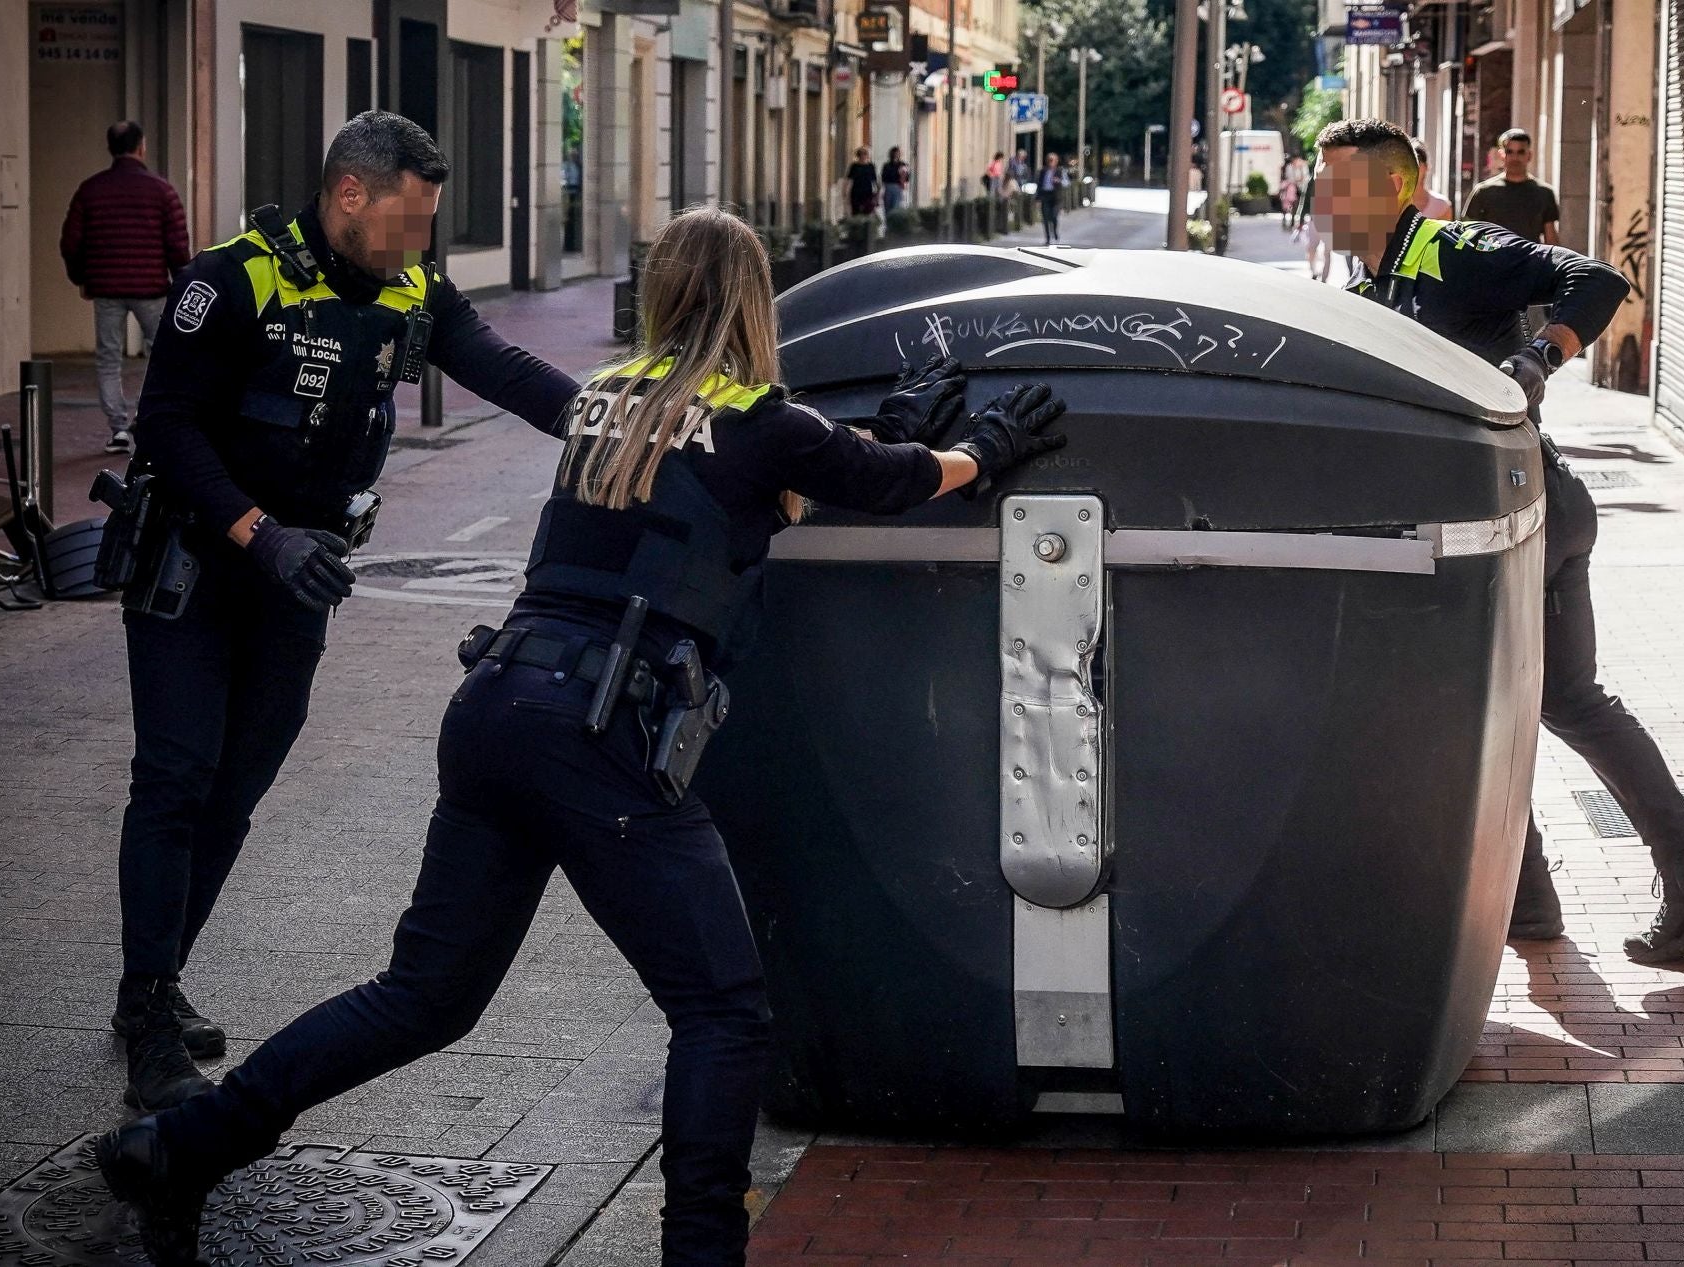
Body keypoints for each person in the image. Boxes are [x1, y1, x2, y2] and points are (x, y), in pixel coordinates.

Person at [91, 205, 1071, 1267]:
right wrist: (976, 447)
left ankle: (179, 1146)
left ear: (659, 297)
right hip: (601, 736)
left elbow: (723, 508)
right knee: (725, 1010)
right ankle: (702, 1250)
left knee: (420, 997)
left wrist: (885, 430)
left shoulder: (610, 404)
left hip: (498, 709)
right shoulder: (762, 421)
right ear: (751, 302)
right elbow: (895, 486)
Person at [108, 110, 582, 1114]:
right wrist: (257, 533)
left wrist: (607, 422)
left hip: (299, 577)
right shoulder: (231, 279)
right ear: (349, 195)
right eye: (406, 220)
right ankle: (149, 1014)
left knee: (233, 795)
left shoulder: (409, 288)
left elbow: (498, 364)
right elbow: (167, 428)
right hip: (197, 564)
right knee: (176, 777)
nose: (418, 245)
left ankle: (154, 976)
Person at [1312, 118, 1684, 963]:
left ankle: (1534, 897)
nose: (1324, 200)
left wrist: (1541, 357)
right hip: (1518, 517)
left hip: (1520, 519)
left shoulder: (1453, 249)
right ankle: (1673, 883)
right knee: (1562, 700)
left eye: (1342, 183)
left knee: (1464, 707)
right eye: (1321, 183)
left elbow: (1593, 279)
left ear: (1398, 187)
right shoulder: (1370, 294)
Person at [61, 121, 191, 455]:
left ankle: (118, 428)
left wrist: (82, 278)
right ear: (141, 147)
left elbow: (71, 242)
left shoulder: (90, 190)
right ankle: (147, 418)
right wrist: (181, 281)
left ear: (110, 148)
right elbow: (177, 244)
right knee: (162, 354)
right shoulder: (161, 190)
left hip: (105, 289)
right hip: (151, 289)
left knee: (108, 358)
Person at [1465, 127, 1560, 245]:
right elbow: (1468, 233)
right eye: (1509, 152)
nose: (1515, 158)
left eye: (1520, 152)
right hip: (1492, 260)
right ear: (1501, 155)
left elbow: (1551, 239)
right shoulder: (1484, 191)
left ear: (1529, 155)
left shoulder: (1544, 193)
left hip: (1529, 261)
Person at [1410, 138, 1454, 220]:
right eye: (1408, 165)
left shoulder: (1441, 206)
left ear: (1426, 167)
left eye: (1416, 163)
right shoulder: (1393, 205)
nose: (1412, 169)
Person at [1037, 152, 1065, 244]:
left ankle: (1055, 231)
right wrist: (1038, 198)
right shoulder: (1043, 171)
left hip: (1055, 196)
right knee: (1045, 218)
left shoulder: (1059, 171)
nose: (1050, 162)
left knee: (1054, 216)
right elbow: (1039, 184)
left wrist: (1058, 181)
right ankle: (1047, 238)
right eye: (1049, 160)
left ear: (1056, 162)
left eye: (1052, 160)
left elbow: (1064, 182)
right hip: (1045, 195)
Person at [845, 145, 880, 217]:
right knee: (855, 213)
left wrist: (877, 193)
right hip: (856, 192)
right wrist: (845, 191)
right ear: (858, 155)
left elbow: (875, 180)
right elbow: (849, 179)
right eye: (862, 154)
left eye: (865, 153)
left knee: (867, 213)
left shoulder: (871, 166)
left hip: (868, 193)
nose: (863, 156)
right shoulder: (854, 166)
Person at [881, 146, 911, 213]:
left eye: (898, 153)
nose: (897, 154)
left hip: (898, 187)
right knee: (887, 207)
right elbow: (883, 178)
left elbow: (907, 178)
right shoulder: (887, 165)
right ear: (891, 154)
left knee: (896, 207)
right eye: (895, 153)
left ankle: (894, 222)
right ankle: (888, 222)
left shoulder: (903, 164)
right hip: (888, 187)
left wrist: (903, 177)